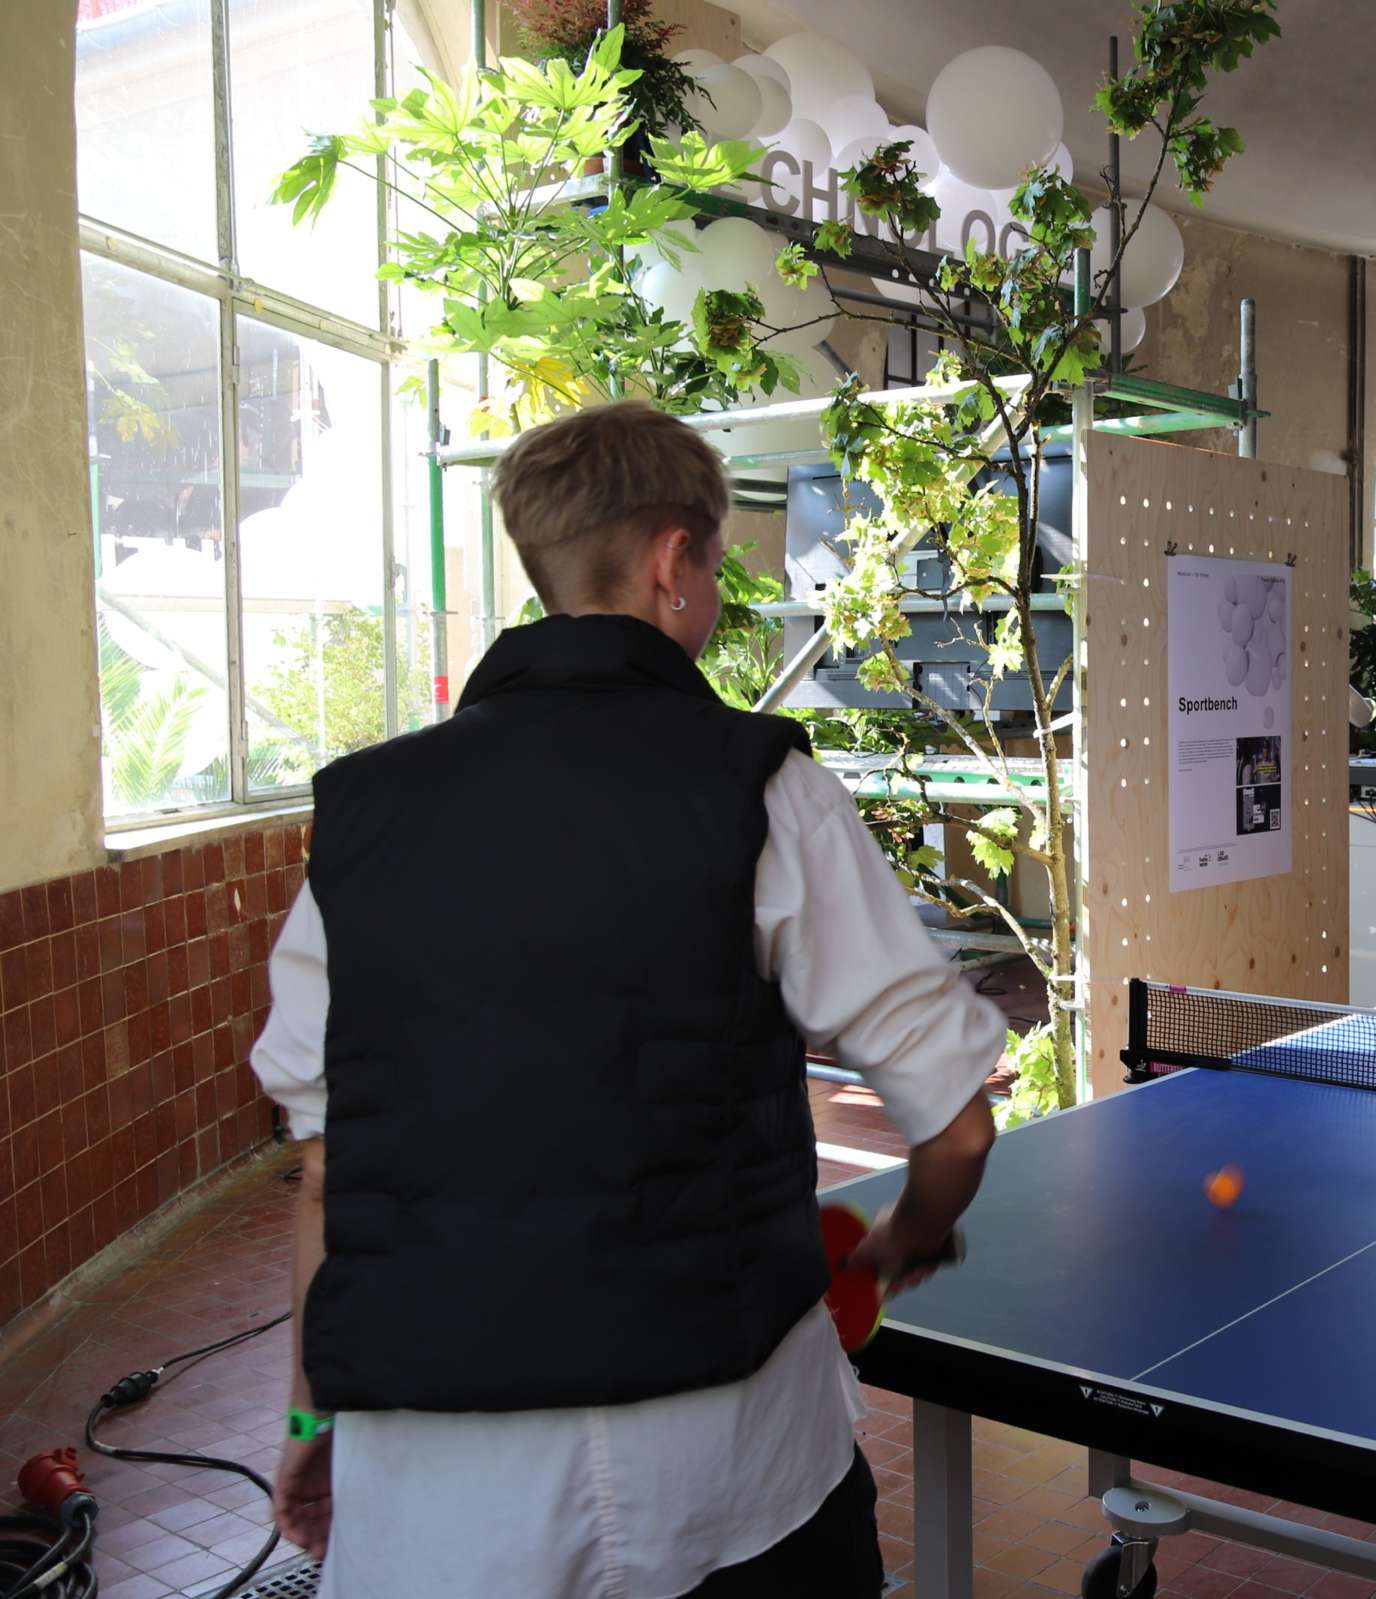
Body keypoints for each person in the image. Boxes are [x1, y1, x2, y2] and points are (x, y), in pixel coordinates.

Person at [254, 400, 1006, 1597]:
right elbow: (956, 1126)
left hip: (438, 1498)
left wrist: (309, 1424)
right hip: (733, 1466)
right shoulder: (766, 789)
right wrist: (906, 1237)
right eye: (715, 562)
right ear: (672, 561)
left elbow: (329, 1174)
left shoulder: (360, 815)